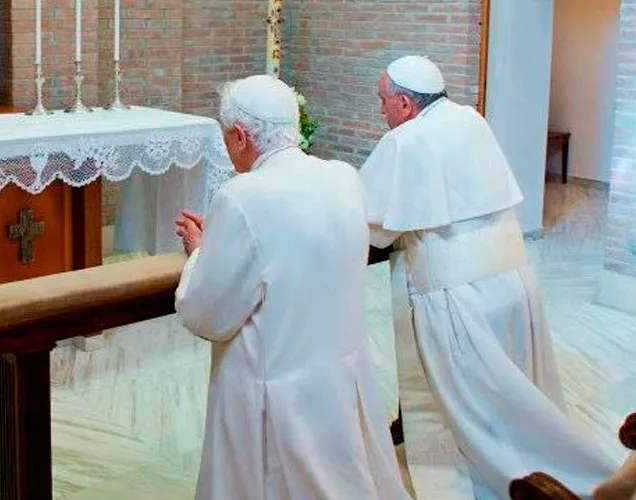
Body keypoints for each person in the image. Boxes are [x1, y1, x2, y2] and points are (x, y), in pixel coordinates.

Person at [359, 54, 621, 499]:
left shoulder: (404, 142)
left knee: (478, 405)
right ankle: (558, 465)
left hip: (455, 291)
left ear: (404, 103)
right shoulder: (470, 119)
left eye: (383, 101)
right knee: (514, 390)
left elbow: (372, 224)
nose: (381, 110)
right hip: (511, 275)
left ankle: (526, 480)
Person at [173, 74, 411, 500]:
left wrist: (199, 252)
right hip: (338, 374)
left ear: (241, 136)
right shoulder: (342, 177)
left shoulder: (241, 196)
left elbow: (205, 312)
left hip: (272, 388)